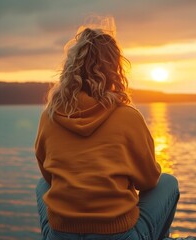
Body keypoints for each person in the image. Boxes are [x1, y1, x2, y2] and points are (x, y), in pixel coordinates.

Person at [34, 18, 180, 240]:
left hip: (62, 234)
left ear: (71, 68)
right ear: (114, 68)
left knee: (41, 186)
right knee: (168, 182)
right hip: (116, 234)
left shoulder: (50, 115)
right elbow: (148, 180)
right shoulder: (127, 116)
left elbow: (48, 175)